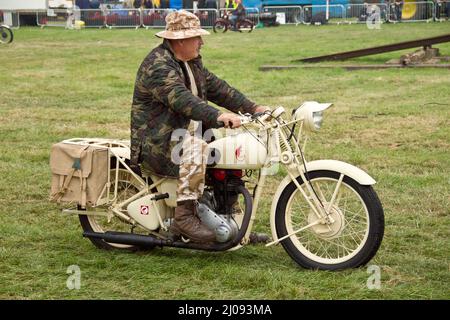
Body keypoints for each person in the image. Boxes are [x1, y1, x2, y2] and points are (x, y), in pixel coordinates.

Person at [130, 10, 268, 243]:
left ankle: (231, 224)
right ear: (180, 40)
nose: (201, 42)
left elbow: (219, 89)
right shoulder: (157, 66)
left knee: (229, 154)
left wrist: (253, 108)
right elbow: (182, 99)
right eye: (196, 37)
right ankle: (184, 217)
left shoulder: (190, 63)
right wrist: (219, 116)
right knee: (197, 147)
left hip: (186, 135)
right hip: (158, 142)